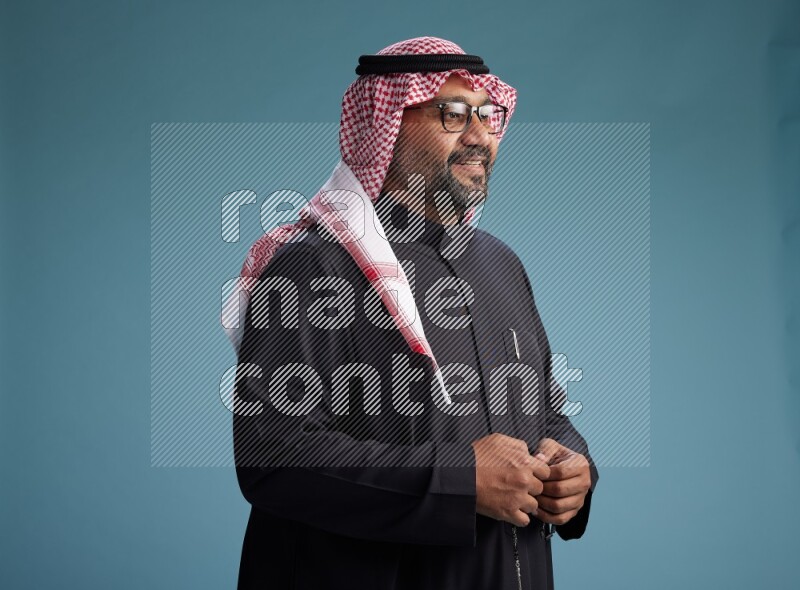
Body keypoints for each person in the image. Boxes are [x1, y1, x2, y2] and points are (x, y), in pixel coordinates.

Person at [227, 37, 598, 590]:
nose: (479, 136)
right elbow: (273, 455)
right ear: (389, 123)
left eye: (487, 114)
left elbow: (541, 410)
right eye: (451, 114)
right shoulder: (314, 267)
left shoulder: (500, 262)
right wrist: (461, 481)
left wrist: (577, 469)